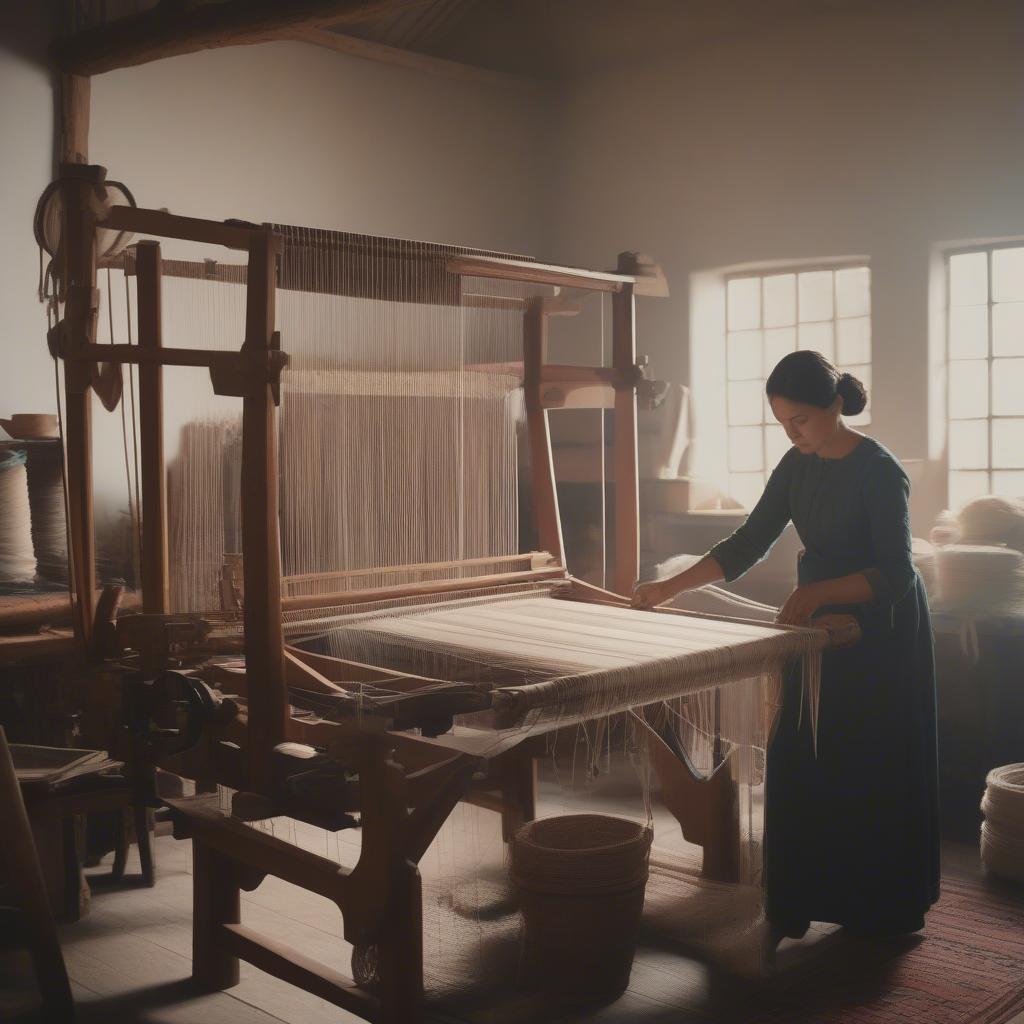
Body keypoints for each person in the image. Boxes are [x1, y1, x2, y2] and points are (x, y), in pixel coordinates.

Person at [632, 349, 939, 940]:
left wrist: (818, 592)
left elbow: (896, 574)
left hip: (880, 631)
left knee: (866, 764)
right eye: (782, 423)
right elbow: (747, 543)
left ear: (835, 405)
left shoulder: (879, 471)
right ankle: (799, 898)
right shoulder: (796, 467)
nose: (791, 432)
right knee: (802, 756)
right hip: (816, 627)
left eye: (799, 420)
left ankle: (881, 908)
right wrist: (666, 588)